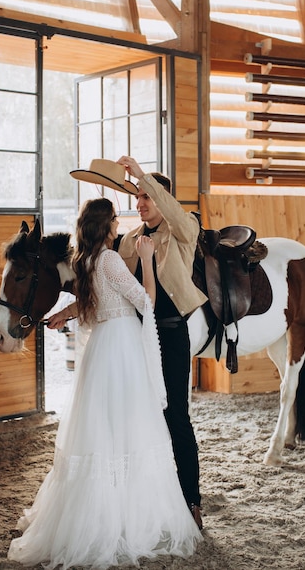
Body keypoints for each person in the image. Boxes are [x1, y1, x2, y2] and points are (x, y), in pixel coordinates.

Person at [8, 198, 202, 570]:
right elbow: (145, 301)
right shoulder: (111, 259)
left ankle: (101, 507)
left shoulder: (86, 261)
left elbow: (90, 306)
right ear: (107, 226)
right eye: (116, 218)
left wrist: (62, 313)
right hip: (123, 346)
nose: (119, 223)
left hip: (101, 348)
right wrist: (146, 259)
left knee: (103, 427)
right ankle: (128, 514)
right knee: (132, 425)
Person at [115, 156, 208, 531]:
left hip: (171, 335)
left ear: (162, 198)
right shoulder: (127, 241)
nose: (140, 203)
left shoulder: (185, 231)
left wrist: (142, 174)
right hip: (134, 337)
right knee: (137, 417)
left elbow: (177, 215)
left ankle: (191, 501)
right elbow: (113, 286)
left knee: (176, 417)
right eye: (137, 197)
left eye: (147, 197)